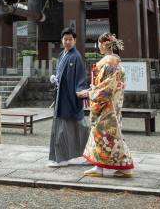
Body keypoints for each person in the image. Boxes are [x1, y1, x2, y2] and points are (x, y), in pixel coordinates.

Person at [77, 32, 134, 178]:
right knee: (109, 137)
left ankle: (123, 167)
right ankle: (101, 167)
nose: (98, 47)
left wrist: (89, 93)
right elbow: (109, 85)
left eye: (98, 44)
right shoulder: (116, 63)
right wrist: (92, 89)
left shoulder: (108, 62)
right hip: (114, 104)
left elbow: (105, 87)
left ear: (103, 44)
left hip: (105, 106)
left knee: (104, 136)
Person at [47, 27, 90, 167]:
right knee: (63, 125)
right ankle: (66, 156)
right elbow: (60, 73)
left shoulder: (76, 57)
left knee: (68, 126)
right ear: (62, 40)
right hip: (61, 96)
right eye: (65, 39)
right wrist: (56, 79)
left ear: (75, 40)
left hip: (70, 96)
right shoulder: (62, 54)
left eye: (70, 39)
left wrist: (79, 90)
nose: (67, 42)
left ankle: (64, 158)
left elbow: (80, 77)